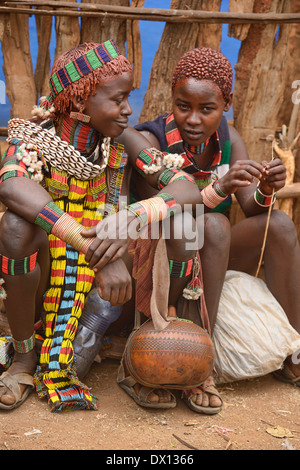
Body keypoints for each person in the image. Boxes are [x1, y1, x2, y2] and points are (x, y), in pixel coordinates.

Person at [0, 40, 204, 412]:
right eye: (118, 99)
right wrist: (89, 247)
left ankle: (147, 346)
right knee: (15, 227)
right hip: (56, 270)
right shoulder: (34, 138)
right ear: (79, 102)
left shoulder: (119, 140)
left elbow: (187, 187)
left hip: (114, 278)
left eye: (128, 98)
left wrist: (132, 217)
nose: (128, 110)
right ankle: (25, 358)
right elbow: (11, 185)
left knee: (184, 223)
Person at [133, 47, 300, 411]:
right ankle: (199, 361)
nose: (192, 119)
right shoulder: (151, 143)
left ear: (226, 103)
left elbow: (252, 207)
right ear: (172, 99)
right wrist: (219, 189)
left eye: (206, 109)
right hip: (160, 265)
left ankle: (294, 349)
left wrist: (267, 188)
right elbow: (165, 211)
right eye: (183, 106)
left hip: (211, 259)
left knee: (281, 225)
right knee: (213, 225)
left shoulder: (227, 139)